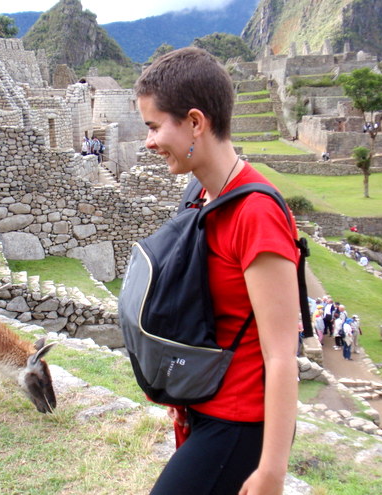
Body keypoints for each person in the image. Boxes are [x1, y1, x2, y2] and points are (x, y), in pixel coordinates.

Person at [134, 47, 300, 495]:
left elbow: (283, 354)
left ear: (195, 122)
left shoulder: (256, 214)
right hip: (204, 406)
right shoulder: (200, 194)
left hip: (240, 423)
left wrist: (272, 471)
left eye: (153, 126)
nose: (148, 141)